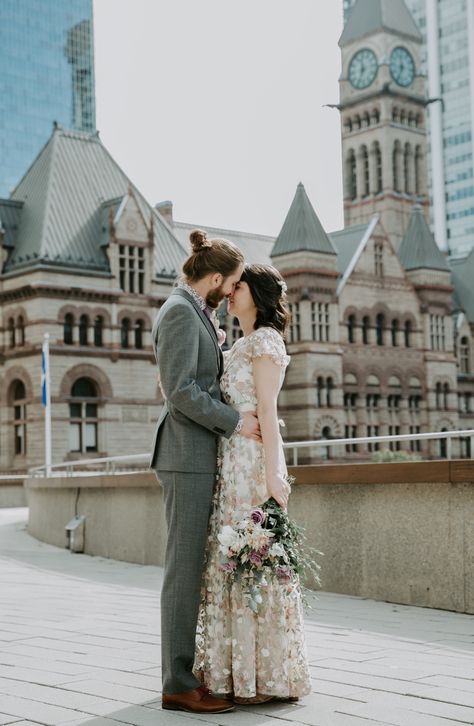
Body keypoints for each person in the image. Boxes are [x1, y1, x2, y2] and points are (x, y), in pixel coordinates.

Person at [150, 230, 261, 715]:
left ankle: (187, 674)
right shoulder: (178, 312)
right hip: (185, 458)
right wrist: (236, 421)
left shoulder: (193, 311)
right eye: (231, 284)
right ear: (215, 278)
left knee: (191, 569)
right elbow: (180, 391)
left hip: (196, 455)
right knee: (183, 571)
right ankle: (177, 683)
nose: (231, 292)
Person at [194, 263, 312, 703]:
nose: (229, 291)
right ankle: (238, 672)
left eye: (237, 286)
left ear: (256, 294)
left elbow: (268, 412)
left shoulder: (265, 341)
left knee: (254, 560)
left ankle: (266, 676)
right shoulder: (241, 344)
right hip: (231, 463)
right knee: (231, 559)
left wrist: (275, 474)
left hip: (252, 465)